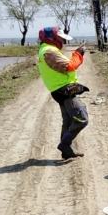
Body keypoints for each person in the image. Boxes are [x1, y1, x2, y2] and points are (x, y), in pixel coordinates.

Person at [37, 26, 88, 159]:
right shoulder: (49, 51)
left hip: (59, 89)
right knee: (82, 119)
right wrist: (78, 54)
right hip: (64, 90)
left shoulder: (46, 50)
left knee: (68, 120)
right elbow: (69, 66)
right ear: (51, 38)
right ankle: (65, 145)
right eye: (59, 38)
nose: (62, 41)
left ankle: (66, 151)